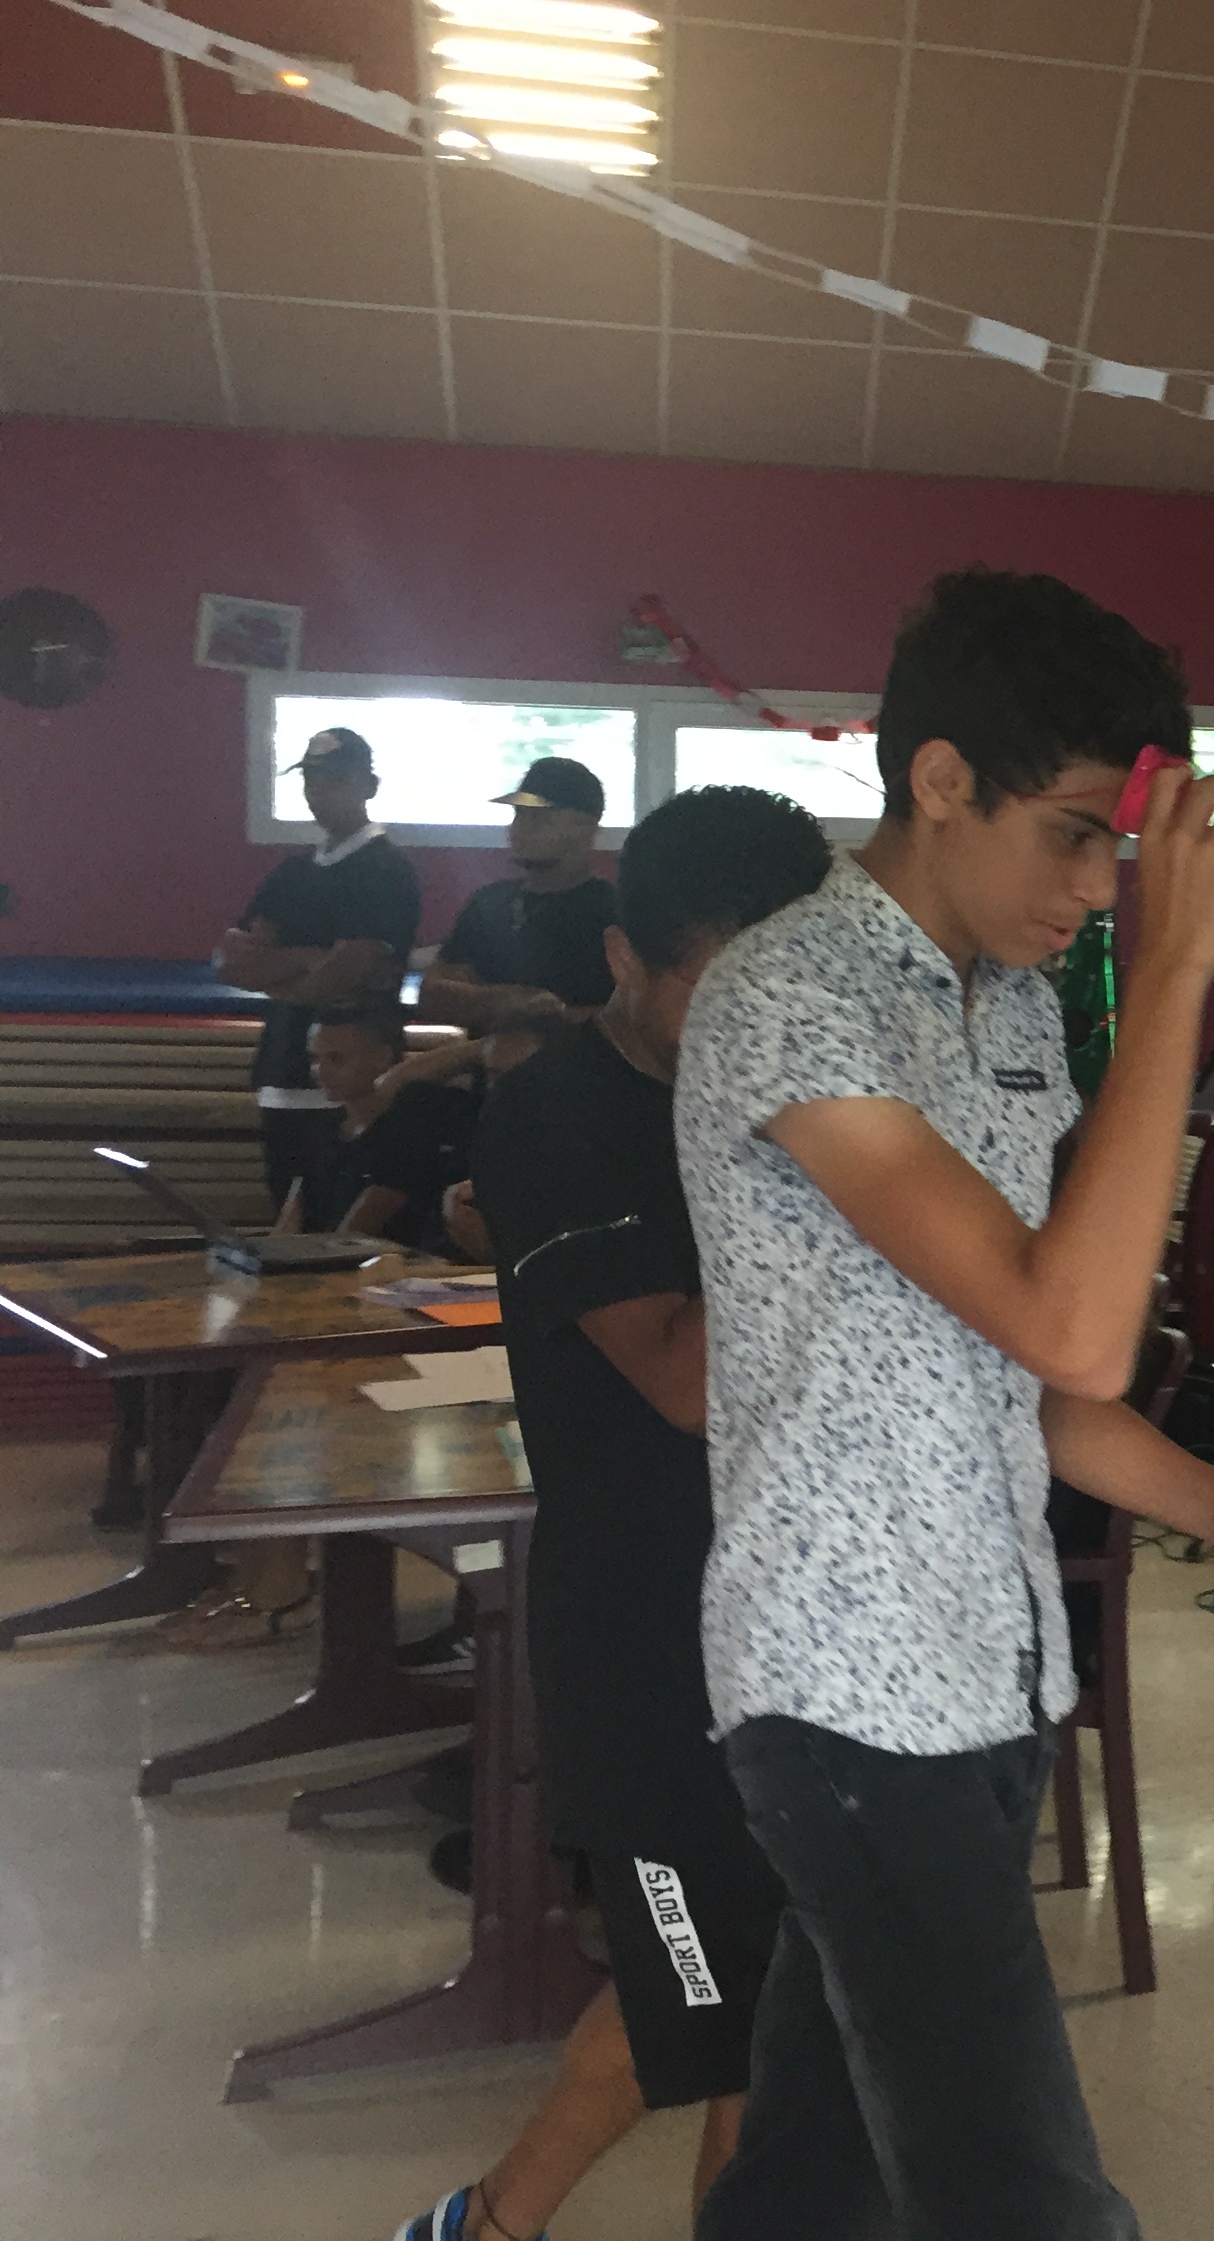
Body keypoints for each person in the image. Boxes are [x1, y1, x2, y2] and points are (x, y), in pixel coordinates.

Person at [674, 568, 1214, 2239]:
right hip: (845, 1686)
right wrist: (1176, 981)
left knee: (818, 2173)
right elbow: (1077, 1331)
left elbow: (1030, 1380)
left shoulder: (1014, 1007)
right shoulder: (790, 995)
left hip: (985, 1670)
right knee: (1025, 2201)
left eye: (1117, 845)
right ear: (939, 779)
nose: (1097, 886)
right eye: (1069, 833)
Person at [394, 785, 834, 2241]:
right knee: (709, 1995)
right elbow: (684, 1379)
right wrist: (842, 1187)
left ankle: (487, 2224)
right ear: (622, 961)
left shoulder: (796, 1102)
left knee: (753, 1998)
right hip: (644, 1646)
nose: (753, 1032)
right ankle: (492, 2220)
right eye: (718, 993)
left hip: (804, 1628)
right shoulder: (556, 1116)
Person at [215, 727, 423, 1211]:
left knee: (343, 1225)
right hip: (282, 1073)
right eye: (311, 779)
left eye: (335, 779)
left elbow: (347, 972)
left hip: (354, 1085)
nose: (319, 791)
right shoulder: (291, 873)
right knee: (288, 1220)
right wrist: (312, 960)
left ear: (368, 786)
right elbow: (233, 963)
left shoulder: (386, 870)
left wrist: (284, 974)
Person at [423, 756, 621, 1036]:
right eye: (519, 814)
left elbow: (635, 1014)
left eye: (539, 817)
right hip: (486, 1062)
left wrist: (554, 1018)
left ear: (585, 827)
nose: (520, 828)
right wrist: (513, 1001)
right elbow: (433, 995)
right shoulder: (489, 904)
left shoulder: (615, 913)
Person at [283, 1006, 481, 1253]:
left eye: (336, 1059)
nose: (320, 1072)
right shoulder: (322, 1129)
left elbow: (354, 1234)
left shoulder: (409, 1129)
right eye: (314, 1059)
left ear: (382, 1057)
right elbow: (290, 1221)